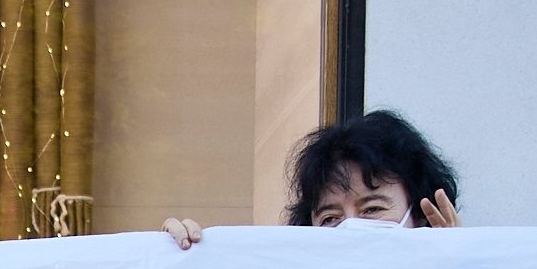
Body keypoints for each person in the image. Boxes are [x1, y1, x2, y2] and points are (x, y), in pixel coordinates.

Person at [163, 110, 461, 249]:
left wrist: (469, 267)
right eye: (330, 218)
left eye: (372, 209)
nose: (350, 227)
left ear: (422, 218)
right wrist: (179, 260)